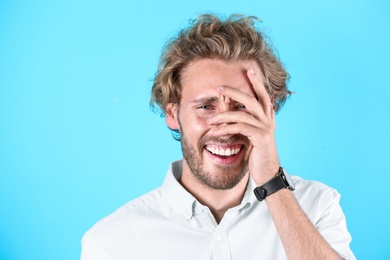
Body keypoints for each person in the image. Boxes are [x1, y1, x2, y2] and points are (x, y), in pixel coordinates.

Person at [81, 14, 355, 260]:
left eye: (242, 106)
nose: (226, 128)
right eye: (205, 106)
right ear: (173, 114)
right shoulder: (111, 244)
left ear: (268, 112)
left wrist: (273, 181)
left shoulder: (317, 207)